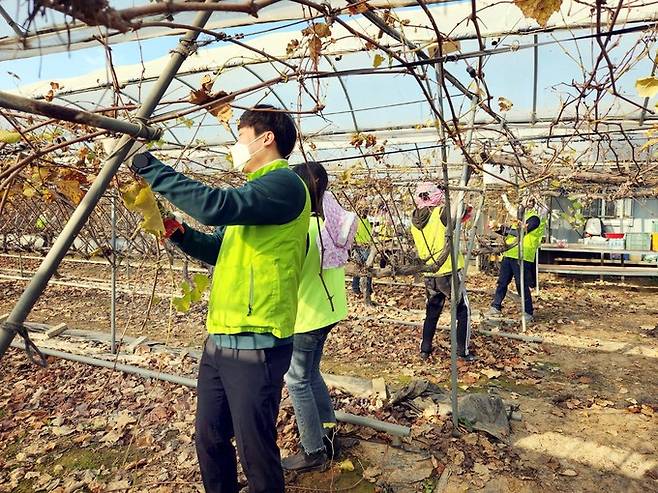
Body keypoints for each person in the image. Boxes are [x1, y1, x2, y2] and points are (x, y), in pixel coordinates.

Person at [129, 105, 310, 493]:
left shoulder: (284, 184)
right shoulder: (256, 194)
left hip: (257, 339)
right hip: (221, 338)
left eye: (240, 137)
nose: (235, 146)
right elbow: (220, 249)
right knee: (209, 438)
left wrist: (147, 165)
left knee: (255, 451)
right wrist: (176, 232)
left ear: (267, 139)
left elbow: (215, 207)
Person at [282, 162, 354, 472]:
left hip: (307, 316)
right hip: (330, 311)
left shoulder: (302, 229)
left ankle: (312, 451)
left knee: (297, 379)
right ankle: (328, 433)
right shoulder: (330, 219)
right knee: (310, 373)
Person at [410, 183, 474, 361]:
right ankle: (463, 350)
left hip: (430, 273)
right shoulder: (440, 213)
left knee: (432, 311)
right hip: (448, 271)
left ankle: (425, 348)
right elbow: (460, 208)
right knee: (463, 310)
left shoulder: (414, 218)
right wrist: (458, 188)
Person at [487, 196, 545, 323]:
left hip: (522, 256)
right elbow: (511, 233)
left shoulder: (534, 218)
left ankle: (528, 312)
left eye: (528, 201)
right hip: (510, 254)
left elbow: (520, 232)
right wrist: (498, 228)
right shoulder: (519, 218)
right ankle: (495, 306)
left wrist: (501, 227)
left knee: (521, 284)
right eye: (523, 201)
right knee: (502, 282)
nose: (524, 203)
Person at [351, 208, 374, 303]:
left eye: (366, 211)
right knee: (358, 269)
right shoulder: (356, 221)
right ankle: (355, 288)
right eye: (364, 210)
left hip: (367, 247)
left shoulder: (367, 221)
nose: (365, 212)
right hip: (359, 247)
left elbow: (369, 234)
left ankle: (368, 288)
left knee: (368, 269)